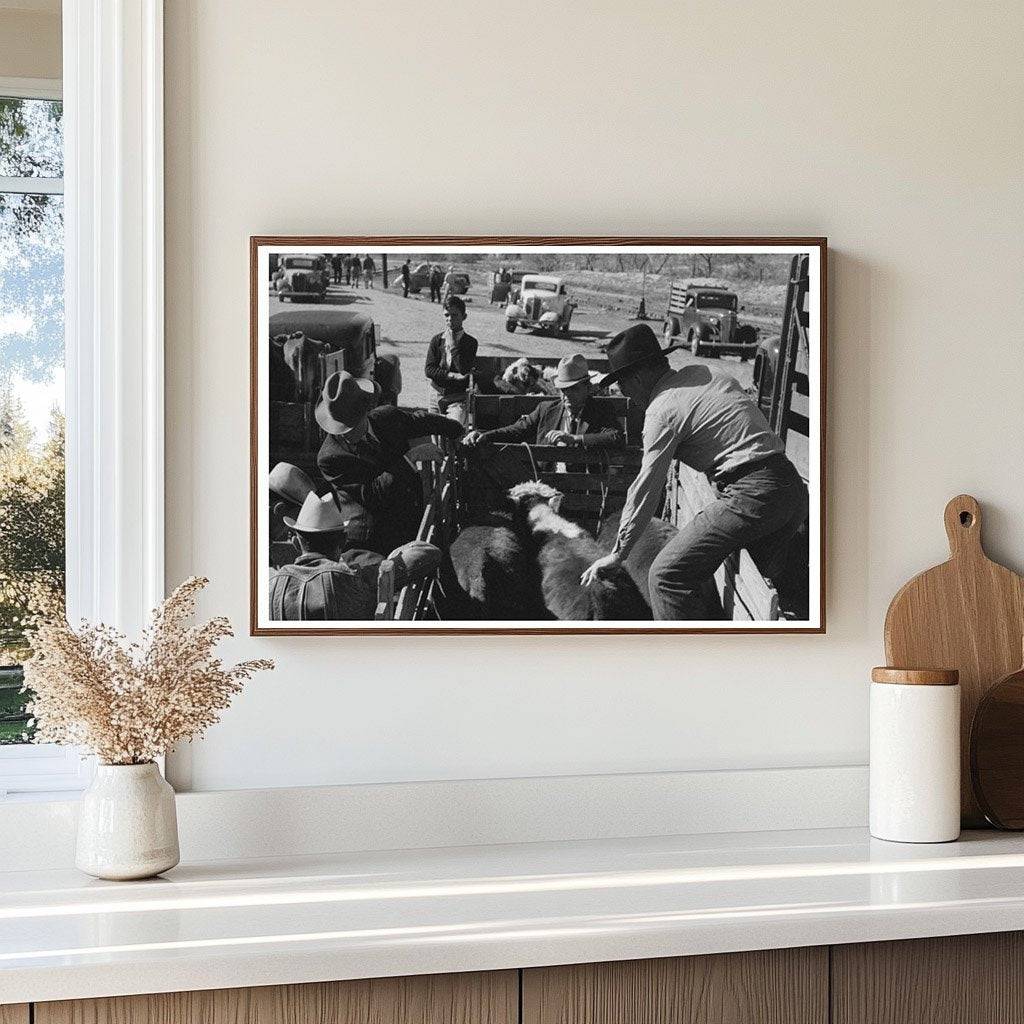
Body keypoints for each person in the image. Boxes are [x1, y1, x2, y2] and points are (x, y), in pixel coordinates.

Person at [580, 324, 808, 620]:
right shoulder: (706, 373)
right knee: (763, 580)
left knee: (665, 578)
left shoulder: (661, 410)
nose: (624, 392)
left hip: (754, 495)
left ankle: (683, 658)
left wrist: (619, 552)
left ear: (636, 377)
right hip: (791, 488)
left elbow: (646, 486)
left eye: (621, 383)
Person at [315, 369, 464, 555]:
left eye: (351, 425)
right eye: (340, 429)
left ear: (365, 412)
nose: (345, 434)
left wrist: (457, 431)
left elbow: (420, 420)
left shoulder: (387, 418)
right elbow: (372, 493)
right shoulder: (330, 457)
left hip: (407, 516)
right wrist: (411, 457)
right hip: (373, 537)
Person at [269, 491, 441, 621]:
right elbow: (429, 552)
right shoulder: (356, 578)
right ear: (343, 541)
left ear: (296, 545)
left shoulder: (271, 584)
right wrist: (393, 556)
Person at [464, 354, 622, 448]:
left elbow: (615, 436)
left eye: (573, 389)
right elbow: (516, 430)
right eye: (563, 389)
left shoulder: (600, 410)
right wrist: (484, 435)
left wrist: (575, 439)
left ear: (587, 388)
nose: (566, 395)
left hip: (586, 489)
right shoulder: (546, 410)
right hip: (547, 484)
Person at [424, 296, 477, 425]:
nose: (450, 319)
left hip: (457, 398)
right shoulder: (437, 340)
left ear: (464, 317)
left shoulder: (470, 342)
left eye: (455, 315)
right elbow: (429, 369)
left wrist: (453, 346)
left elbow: (464, 369)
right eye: (447, 315)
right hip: (436, 394)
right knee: (434, 434)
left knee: (453, 430)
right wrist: (450, 375)